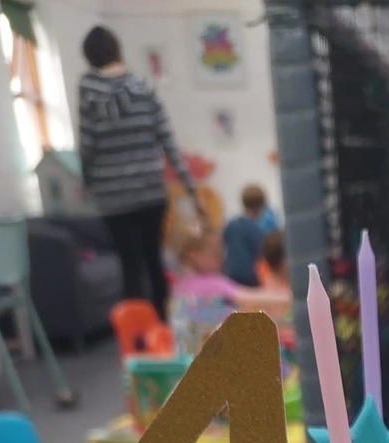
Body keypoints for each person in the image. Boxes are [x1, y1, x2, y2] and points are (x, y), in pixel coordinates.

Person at [77, 25, 200, 318]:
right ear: (117, 49)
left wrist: (87, 180)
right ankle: (165, 327)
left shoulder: (88, 89)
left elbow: (87, 143)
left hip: (113, 195)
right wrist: (190, 188)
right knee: (154, 261)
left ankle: (138, 333)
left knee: (129, 265)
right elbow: (167, 140)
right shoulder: (144, 86)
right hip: (150, 190)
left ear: (89, 56)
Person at [170, 224, 287, 355]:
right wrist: (292, 297)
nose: (222, 258)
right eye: (216, 254)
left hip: (186, 356)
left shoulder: (181, 286)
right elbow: (250, 297)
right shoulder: (211, 283)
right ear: (194, 255)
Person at [223, 184, 278, 288]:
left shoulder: (231, 224)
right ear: (261, 207)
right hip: (249, 277)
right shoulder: (254, 229)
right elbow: (261, 253)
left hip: (230, 274)